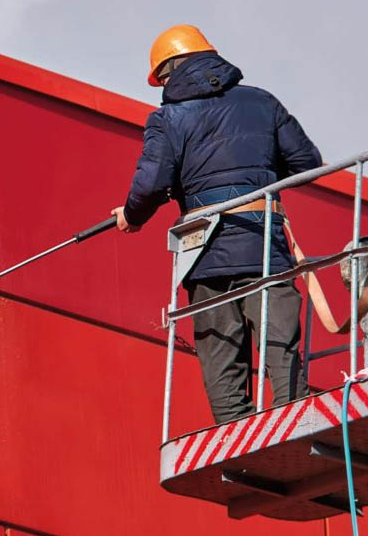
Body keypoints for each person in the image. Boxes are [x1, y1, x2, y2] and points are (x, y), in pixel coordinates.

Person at [113, 25, 323, 424]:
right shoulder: (263, 103)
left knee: (220, 352)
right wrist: (254, 172)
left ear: (169, 72)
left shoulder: (168, 119)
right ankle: (294, 421)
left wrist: (131, 216)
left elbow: (151, 183)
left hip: (205, 254)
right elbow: (307, 165)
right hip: (264, 245)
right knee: (280, 343)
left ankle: (234, 436)